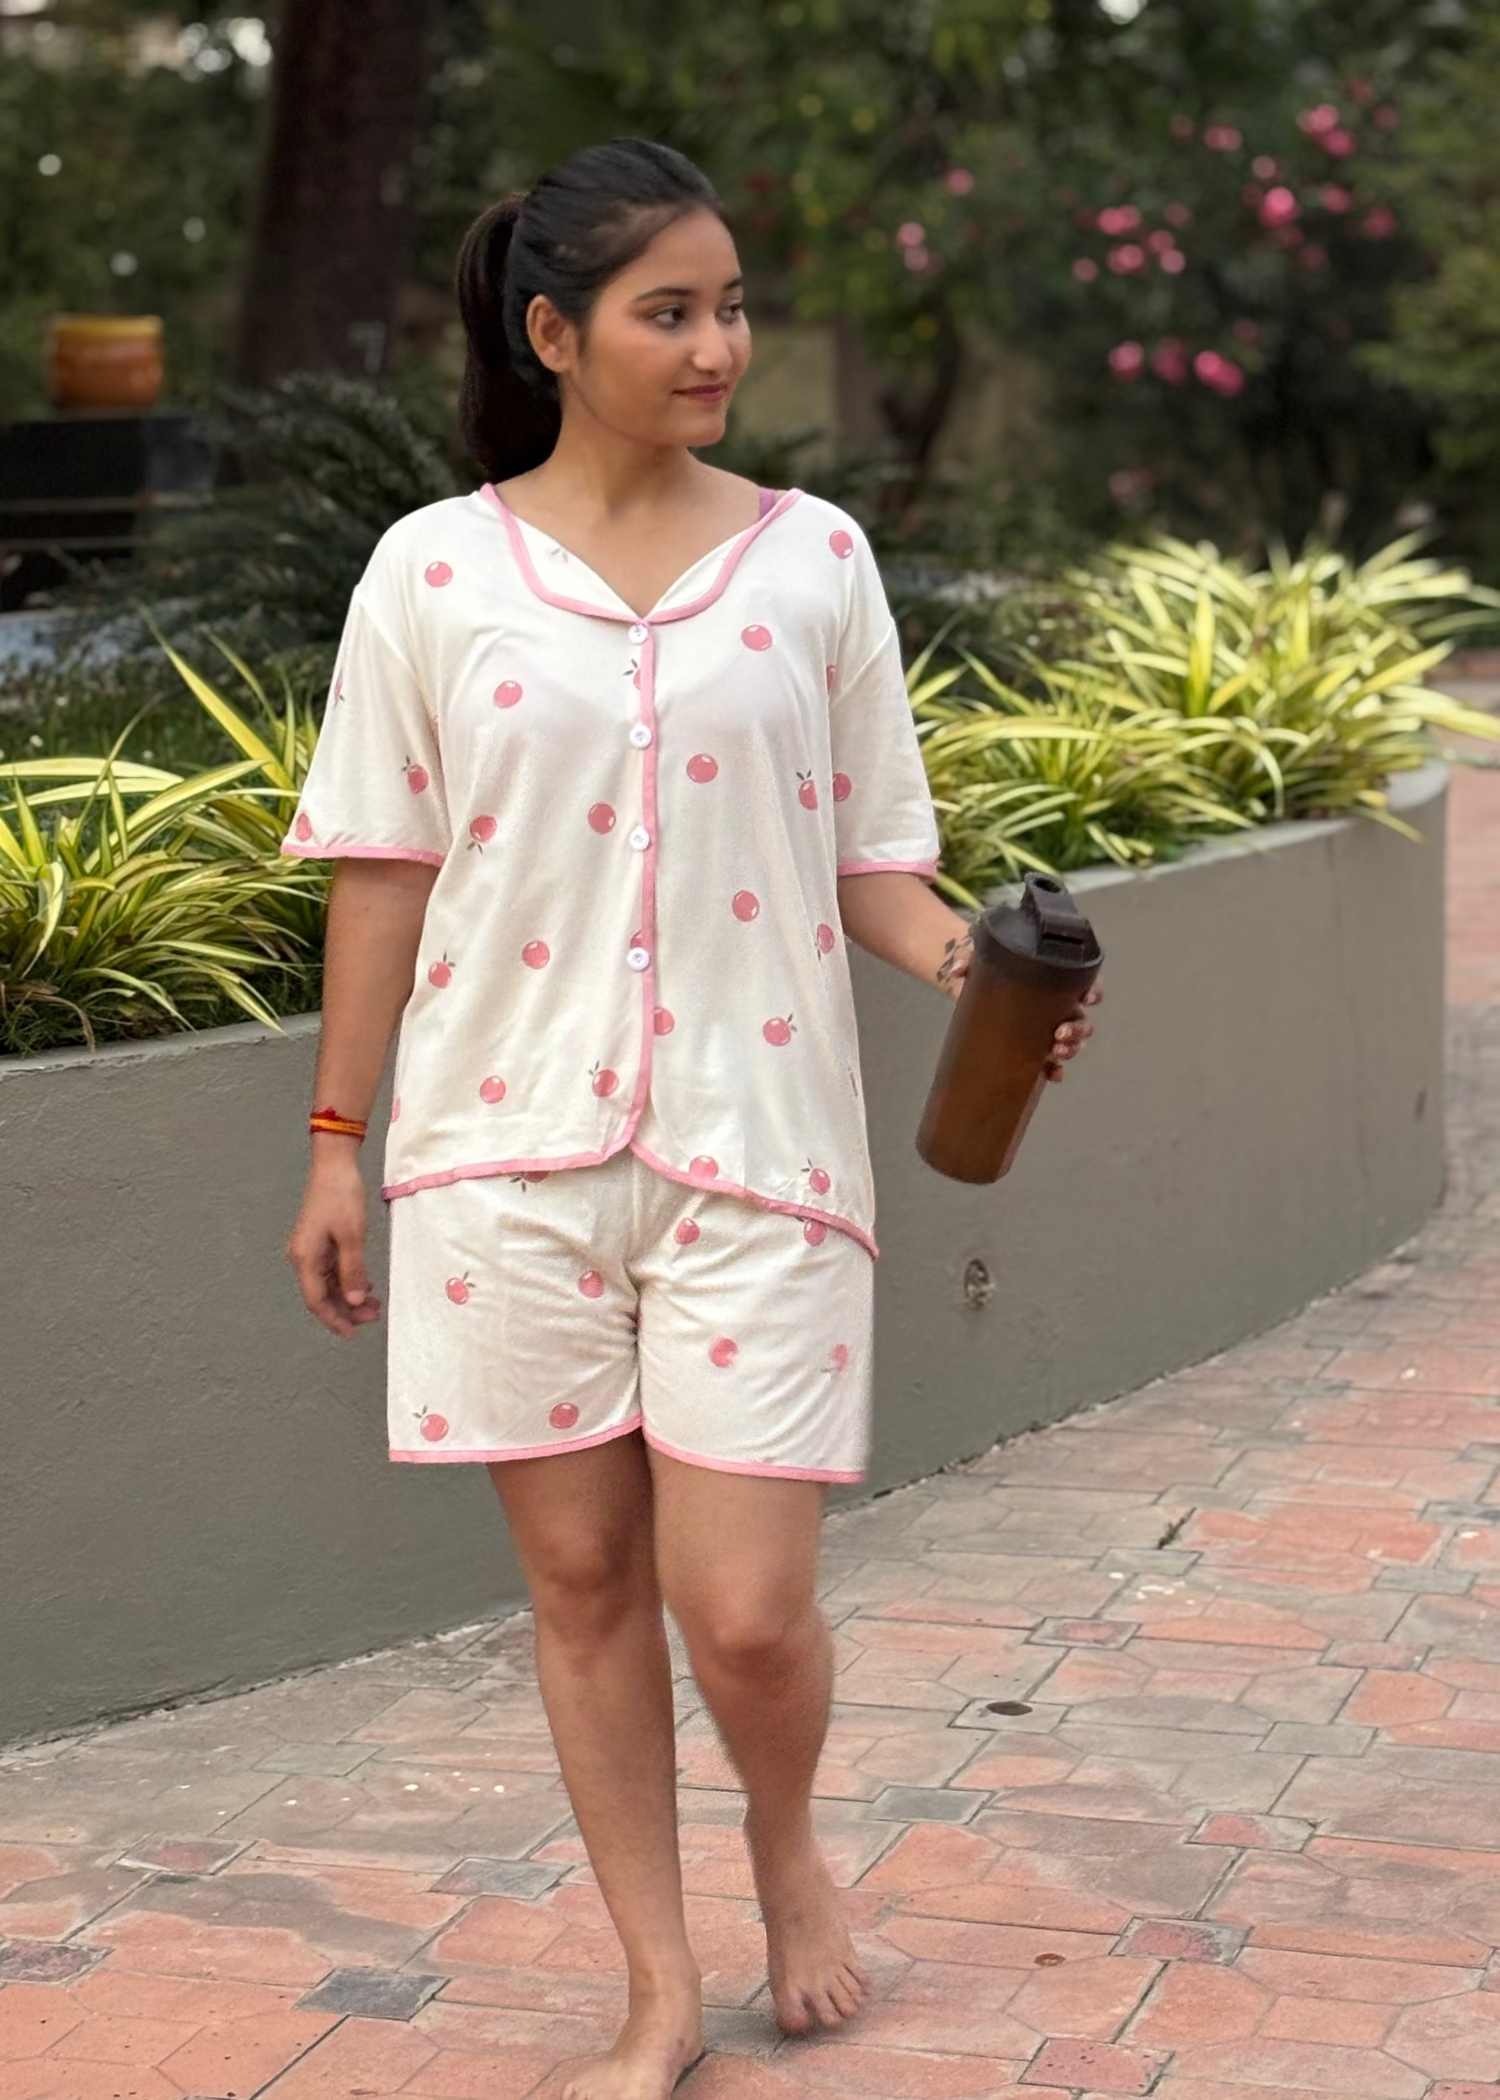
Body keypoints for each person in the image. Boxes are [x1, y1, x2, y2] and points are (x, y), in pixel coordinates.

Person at [282, 136, 1100, 2100]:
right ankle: (658, 1995)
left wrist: (966, 980)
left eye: (731, 304)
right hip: (500, 1155)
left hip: (760, 1156)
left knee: (743, 1615)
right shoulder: (433, 572)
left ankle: (786, 1834)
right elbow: (381, 871)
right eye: (673, 311)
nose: (719, 342)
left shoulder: (812, 561)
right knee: (580, 1590)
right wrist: (333, 1140)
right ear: (554, 334)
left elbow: (872, 863)